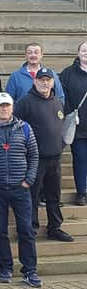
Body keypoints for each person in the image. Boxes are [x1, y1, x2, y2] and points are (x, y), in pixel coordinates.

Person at [0, 92, 42, 287]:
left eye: (7, 105)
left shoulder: (24, 128)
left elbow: (34, 155)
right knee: (0, 231)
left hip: (21, 188)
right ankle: (5, 268)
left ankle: (29, 270)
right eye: (0, 105)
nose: (4, 108)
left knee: (26, 230)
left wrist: (29, 180)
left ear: (12, 107)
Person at [14, 68, 74, 242]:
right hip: (34, 159)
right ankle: (30, 227)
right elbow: (16, 128)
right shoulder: (25, 102)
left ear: (53, 82)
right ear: (35, 81)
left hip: (54, 158)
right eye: (41, 80)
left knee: (53, 195)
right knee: (31, 195)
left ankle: (54, 227)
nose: (45, 83)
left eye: (48, 80)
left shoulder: (57, 102)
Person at [59, 41, 87, 206]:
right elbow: (63, 97)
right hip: (78, 128)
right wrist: (70, 113)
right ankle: (81, 192)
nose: (86, 53)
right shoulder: (67, 74)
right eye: (84, 50)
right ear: (78, 53)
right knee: (80, 159)